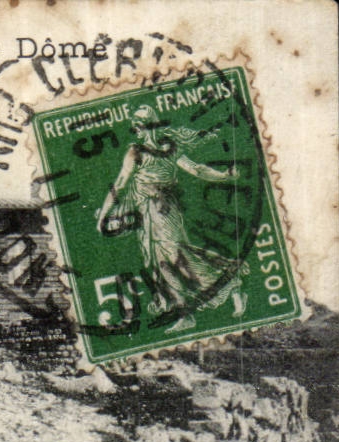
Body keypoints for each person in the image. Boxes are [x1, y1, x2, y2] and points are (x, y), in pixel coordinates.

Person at [95, 103, 247, 333]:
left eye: (148, 125)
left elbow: (196, 169)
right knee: (159, 262)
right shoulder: (135, 152)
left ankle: (232, 284)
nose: (145, 130)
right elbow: (119, 184)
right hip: (146, 212)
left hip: (165, 210)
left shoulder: (169, 148)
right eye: (141, 126)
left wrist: (225, 175)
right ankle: (184, 313)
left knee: (177, 255)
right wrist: (104, 214)